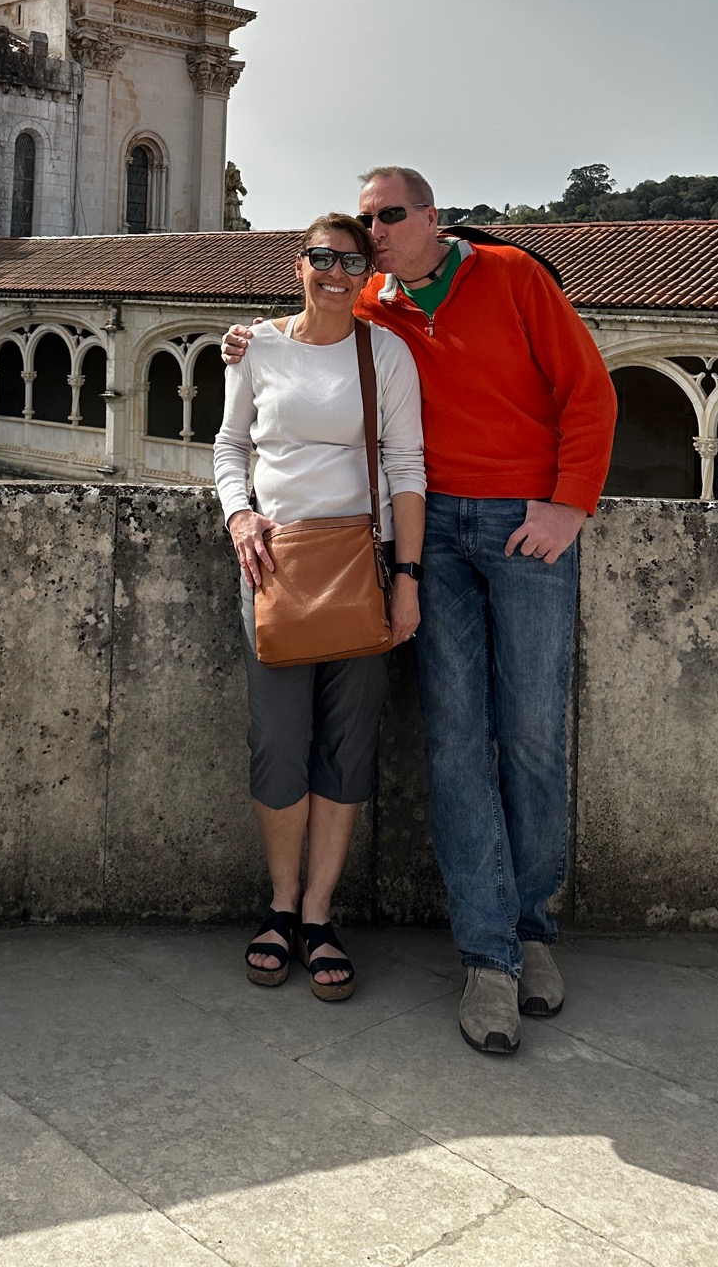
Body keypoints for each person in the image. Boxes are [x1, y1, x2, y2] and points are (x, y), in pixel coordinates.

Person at [225, 167, 616, 1055]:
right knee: (451, 742)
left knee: (530, 735)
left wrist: (569, 502)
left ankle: (531, 931)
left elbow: (590, 393)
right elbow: (309, 341)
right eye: (366, 223)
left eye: (389, 216)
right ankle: (488, 957)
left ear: (431, 217)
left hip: (528, 526)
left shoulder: (514, 276)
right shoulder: (375, 303)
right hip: (432, 530)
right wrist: (243, 340)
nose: (376, 234)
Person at [213, 212, 426, 1001]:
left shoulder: (386, 353)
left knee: (347, 745)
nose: (336, 274)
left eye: (352, 262)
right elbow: (230, 445)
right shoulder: (255, 346)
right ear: (297, 263)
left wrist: (407, 576)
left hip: (360, 565)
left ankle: (316, 912)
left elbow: (407, 466)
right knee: (277, 742)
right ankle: (277, 900)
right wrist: (238, 513)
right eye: (322, 259)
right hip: (275, 564)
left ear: (368, 272)